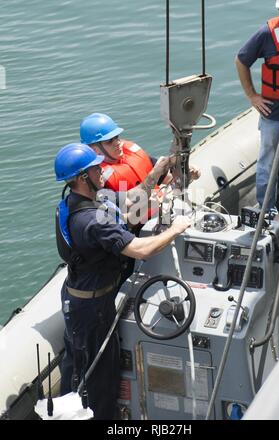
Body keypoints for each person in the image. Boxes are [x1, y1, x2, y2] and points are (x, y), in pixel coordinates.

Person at [54, 143, 191, 419]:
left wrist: (163, 177)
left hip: (82, 299)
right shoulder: (90, 221)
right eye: (95, 168)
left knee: (77, 367)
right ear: (83, 178)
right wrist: (176, 229)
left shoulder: (78, 202)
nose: (101, 171)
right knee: (99, 381)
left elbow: (127, 209)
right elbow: (140, 249)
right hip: (91, 311)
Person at [235, 0, 279, 232]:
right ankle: (267, 210)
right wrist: (252, 96)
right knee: (267, 165)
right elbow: (241, 60)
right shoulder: (266, 34)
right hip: (275, 115)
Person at [79, 112, 200, 194]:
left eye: (117, 137)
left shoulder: (131, 153)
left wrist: (187, 175)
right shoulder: (97, 179)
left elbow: (167, 178)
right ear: (94, 149)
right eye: (110, 141)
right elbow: (121, 208)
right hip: (138, 225)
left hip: (160, 211)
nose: (118, 143)